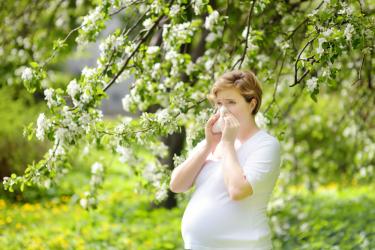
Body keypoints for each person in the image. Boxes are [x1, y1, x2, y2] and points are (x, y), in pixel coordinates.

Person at [169, 69, 281, 250]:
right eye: (219, 103)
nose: (223, 110)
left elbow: (237, 191)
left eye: (231, 102)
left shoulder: (266, 145)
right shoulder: (213, 141)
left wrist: (228, 143)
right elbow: (176, 185)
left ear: (252, 104)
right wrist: (207, 146)